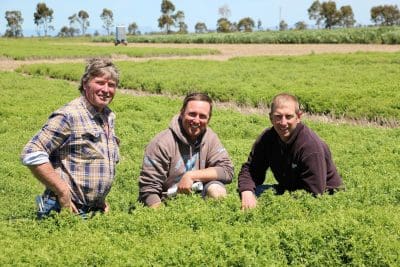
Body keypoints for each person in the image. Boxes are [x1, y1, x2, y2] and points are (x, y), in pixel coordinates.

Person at [21, 58, 121, 218]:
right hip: (65, 209)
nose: (106, 89)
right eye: (100, 82)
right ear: (85, 83)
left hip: (93, 211)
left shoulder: (108, 116)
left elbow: (95, 161)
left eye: (111, 85)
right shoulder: (69, 115)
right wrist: (62, 192)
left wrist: (100, 200)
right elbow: (31, 152)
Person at [238, 93, 344, 210]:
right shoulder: (267, 138)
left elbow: (315, 195)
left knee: (266, 201)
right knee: (246, 192)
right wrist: (247, 192)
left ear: (298, 117)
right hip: (289, 191)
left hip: (324, 199)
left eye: (288, 116)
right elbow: (250, 170)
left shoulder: (309, 146)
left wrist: (277, 205)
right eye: (278, 116)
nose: (283, 123)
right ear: (270, 118)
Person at [139, 92, 234, 208]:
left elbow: (227, 170)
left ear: (209, 119)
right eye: (192, 114)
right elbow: (148, 189)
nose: (196, 120)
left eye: (202, 116)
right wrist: (163, 219)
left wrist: (191, 175)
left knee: (216, 190)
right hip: (168, 203)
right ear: (182, 113)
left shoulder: (210, 138)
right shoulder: (162, 143)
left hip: (199, 199)